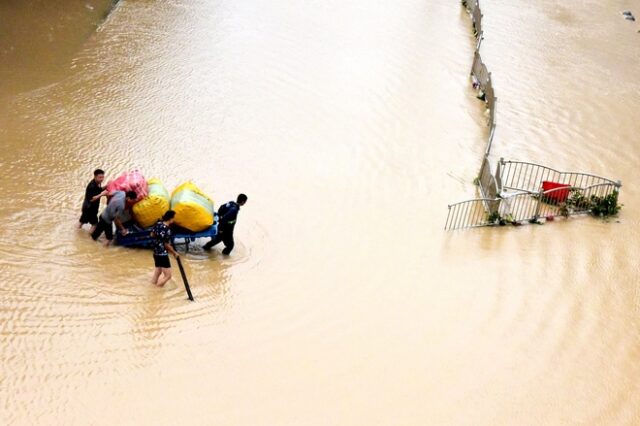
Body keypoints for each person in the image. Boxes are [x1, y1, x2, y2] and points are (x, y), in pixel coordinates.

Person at [150, 210, 180, 287]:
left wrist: (158, 240)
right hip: (162, 254)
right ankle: (156, 290)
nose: (174, 220)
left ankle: (152, 286)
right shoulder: (167, 230)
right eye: (173, 218)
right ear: (170, 218)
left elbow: (152, 234)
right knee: (168, 276)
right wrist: (174, 253)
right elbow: (166, 244)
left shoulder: (158, 224)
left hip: (156, 252)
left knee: (158, 272)